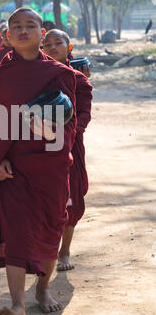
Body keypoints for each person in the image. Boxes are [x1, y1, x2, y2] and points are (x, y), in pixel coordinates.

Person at [0, 7, 77, 315]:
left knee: (50, 227)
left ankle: (42, 289)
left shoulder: (61, 74)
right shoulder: (2, 75)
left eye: (31, 25)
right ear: (7, 35)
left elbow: (68, 127)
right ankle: (18, 306)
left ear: (43, 34)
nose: (24, 30)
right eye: (17, 26)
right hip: (14, 166)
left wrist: (46, 129)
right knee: (15, 232)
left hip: (50, 166)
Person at [42, 29, 92, 271]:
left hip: (70, 147)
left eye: (57, 42)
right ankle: (45, 250)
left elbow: (84, 115)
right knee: (44, 200)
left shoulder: (78, 79)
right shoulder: (36, 76)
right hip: (40, 146)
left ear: (68, 47)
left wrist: (68, 135)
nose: (52, 47)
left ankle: (64, 252)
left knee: (70, 201)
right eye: (47, 44)